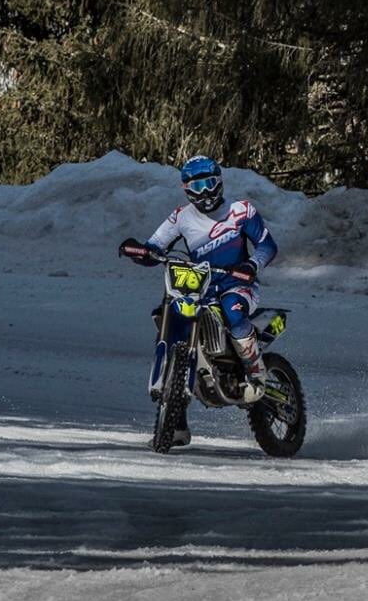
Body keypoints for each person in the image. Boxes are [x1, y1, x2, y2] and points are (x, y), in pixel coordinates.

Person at [118, 156, 279, 439]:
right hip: (198, 289)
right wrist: (141, 252)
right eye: (197, 185)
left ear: (219, 182)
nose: (204, 192)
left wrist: (251, 265)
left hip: (237, 286)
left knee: (232, 311)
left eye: (209, 183)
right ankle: (175, 421)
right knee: (168, 318)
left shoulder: (241, 211)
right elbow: (155, 246)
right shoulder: (181, 216)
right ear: (186, 189)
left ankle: (256, 374)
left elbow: (267, 245)